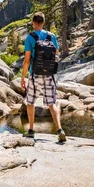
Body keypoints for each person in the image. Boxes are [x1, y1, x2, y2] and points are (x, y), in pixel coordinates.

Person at [20, 12, 66, 143]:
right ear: (43, 23)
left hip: (35, 75)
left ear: (33, 23)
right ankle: (60, 130)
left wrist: (23, 77)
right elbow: (56, 55)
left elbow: (27, 60)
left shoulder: (30, 38)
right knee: (52, 104)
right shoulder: (52, 36)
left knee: (30, 102)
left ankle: (31, 130)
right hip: (49, 75)